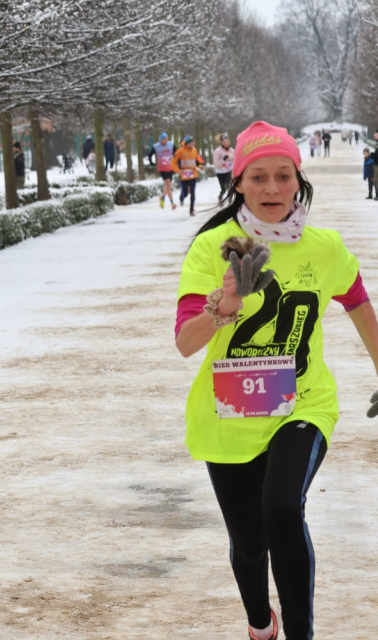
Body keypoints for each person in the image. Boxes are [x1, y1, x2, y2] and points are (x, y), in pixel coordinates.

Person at [175, 120, 378, 640]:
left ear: (298, 180)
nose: (271, 189)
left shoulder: (324, 247)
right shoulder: (215, 246)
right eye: (258, 177)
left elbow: (357, 303)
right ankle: (261, 624)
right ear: (238, 181)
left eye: (282, 176)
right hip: (229, 413)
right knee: (248, 543)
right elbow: (185, 342)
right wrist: (225, 307)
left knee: (283, 510)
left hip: (302, 404)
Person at [172, 134, 205, 216]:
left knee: (193, 193)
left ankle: (191, 210)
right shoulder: (180, 151)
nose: (194, 143)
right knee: (186, 193)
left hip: (193, 174)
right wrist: (178, 171)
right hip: (183, 175)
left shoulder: (194, 150)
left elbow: (197, 161)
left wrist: (200, 166)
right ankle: (182, 196)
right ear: (188, 143)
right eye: (192, 142)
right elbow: (173, 162)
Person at [149, 132, 177, 210]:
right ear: (161, 140)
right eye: (165, 139)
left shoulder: (171, 144)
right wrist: (151, 162)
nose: (166, 140)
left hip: (170, 167)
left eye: (167, 139)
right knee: (168, 183)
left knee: (168, 185)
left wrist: (176, 159)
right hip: (162, 168)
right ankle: (172, 203)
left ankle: (162, 198)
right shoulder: (156, 146)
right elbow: (150, 154)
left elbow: (177, 153)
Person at [212, 134, 235, 202]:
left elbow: (235, 160)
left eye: (227, 141)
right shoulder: (218, 151)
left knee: (229, 186)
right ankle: (220, 197)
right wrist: (223, 160)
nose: (226, 143)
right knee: (223, 188)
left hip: (229, 171)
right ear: (221, 143)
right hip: (220, 172)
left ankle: (230, 200)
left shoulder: (232, 150)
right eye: (224, 142)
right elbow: (216, 163)